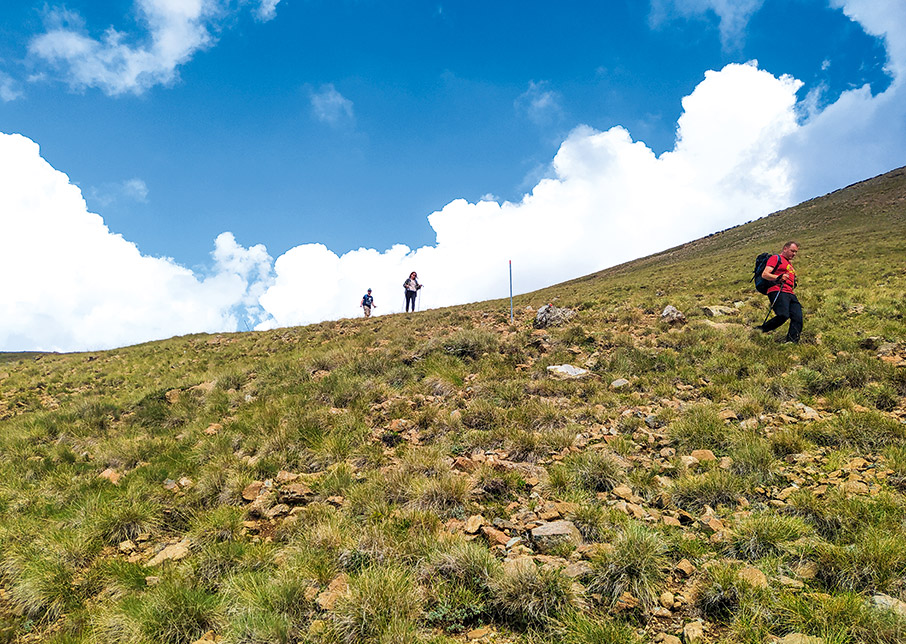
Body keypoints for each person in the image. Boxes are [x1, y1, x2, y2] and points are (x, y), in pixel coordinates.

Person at [757, 241, 802, 343]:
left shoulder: (789, 264)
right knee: (783, 315)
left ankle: (792, 342)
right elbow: (765, 274)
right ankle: (759, 330)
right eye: (792, 251)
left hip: (790, 293)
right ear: (785, 249)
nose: (794, 254)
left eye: (796, 252)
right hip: (777, 290)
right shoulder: (775, 258)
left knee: (798, 317)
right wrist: (778, 277)